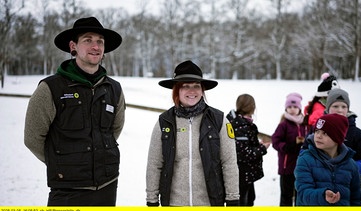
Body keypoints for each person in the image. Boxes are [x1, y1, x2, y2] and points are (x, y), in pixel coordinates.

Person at [24, 17, 126, 206]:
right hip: (67, 190)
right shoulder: (50, 88)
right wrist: (64, 162)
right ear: (73, 46)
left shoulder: (114, 89)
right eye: (88, 40)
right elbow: (32, 138)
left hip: (108, 185)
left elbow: (113, 132)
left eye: (100, 42)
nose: (95, 46)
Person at [145, 60, 240, 206]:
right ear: (177, 90)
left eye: (196, 86)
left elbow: (229, 162)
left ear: (202, 90)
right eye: (185, 86)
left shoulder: (219, 120)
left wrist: (233, 198)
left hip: (210, 203)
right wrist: (151, 199)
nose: (192, 91)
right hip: (173, 203)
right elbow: (154, 164)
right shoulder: (164, 122)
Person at [294, 114, 361, 206]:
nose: (318, 136)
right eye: (317, 131)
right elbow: (303, 194)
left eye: (325, 133)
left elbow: (356, 199)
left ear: (337, 137)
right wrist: (322, 196)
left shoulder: (351, 165)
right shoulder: (305, 160)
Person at [226, 94, 270, 206]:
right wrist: (262, 148)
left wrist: (256, 145)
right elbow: (243, 153)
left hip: (245, 174)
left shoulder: (241, 123)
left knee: (250, 198)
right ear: (253, 107)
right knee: (243, 202)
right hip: (241, 174)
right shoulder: (240, 126)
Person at [271, 92, 308, 206]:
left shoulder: (305, 124)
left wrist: (304, 142)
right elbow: (275, 141)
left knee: (299, 195)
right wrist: (287, 146)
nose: (292, 109)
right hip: (287, 167)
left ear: (300, 108)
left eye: (295, 107)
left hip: (302, 167)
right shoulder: (284, 125)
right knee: (286, 196)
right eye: (289, 107)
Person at [325, 88, 361, 174]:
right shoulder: (317, 129)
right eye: (335, 106)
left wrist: (348, 170)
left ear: (348, 109)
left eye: (344, 107)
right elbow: (304, 152)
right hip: (318, 184)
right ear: (328, 108)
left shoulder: (356, 133)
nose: (340, 110)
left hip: (346, 184)